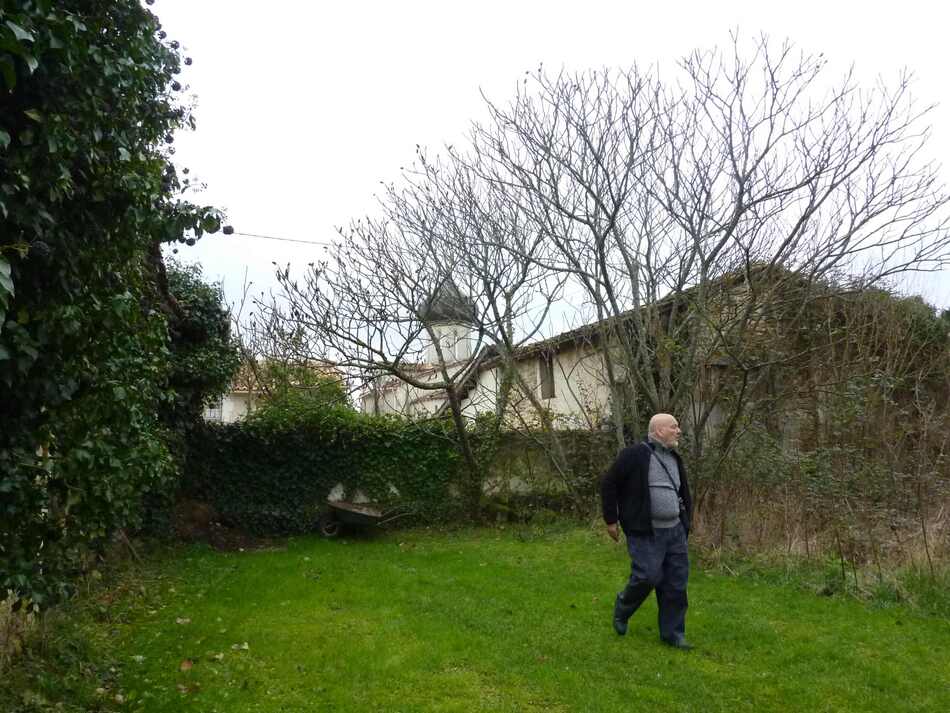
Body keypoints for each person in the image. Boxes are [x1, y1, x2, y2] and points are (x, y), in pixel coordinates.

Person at [600, 413, 694, 649]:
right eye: (674, 427)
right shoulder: (634, 455)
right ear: (659, 431)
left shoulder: (674, 457)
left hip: (674, 532)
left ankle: (673, 634)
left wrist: (686, 523)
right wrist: (611, 519)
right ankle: (623, 606)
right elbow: (609, 483)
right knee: (647, 576)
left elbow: (683, 493)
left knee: (675, 583)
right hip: (645, 531)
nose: (679, 431)